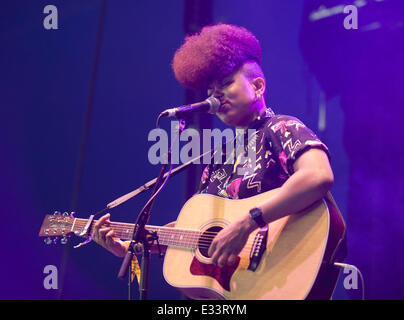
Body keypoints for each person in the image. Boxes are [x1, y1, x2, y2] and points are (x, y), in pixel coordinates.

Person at [93, 23, 336, 278]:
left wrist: (247, 222)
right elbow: (199, 233)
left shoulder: (281, 127)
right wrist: (129, 246)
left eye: (226, 84)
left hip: (285, 269)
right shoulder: (219, 157)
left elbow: (318, 177)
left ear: (257, 87)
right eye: (210, 91)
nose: (215, 97)